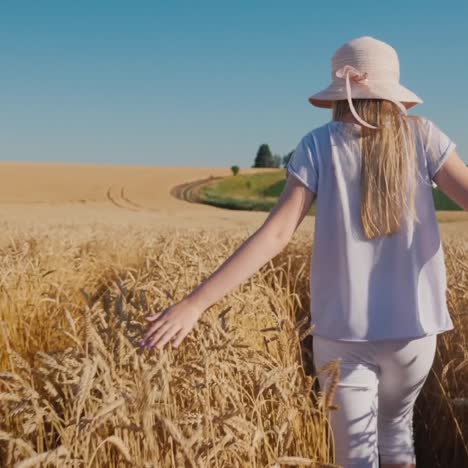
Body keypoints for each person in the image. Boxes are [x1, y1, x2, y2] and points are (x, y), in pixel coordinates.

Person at [139, 36, 468, 467]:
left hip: (341, 332)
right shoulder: (424, 135)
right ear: (393, 90)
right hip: (414, 328)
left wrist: (194, 304)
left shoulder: (317, 144)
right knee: (397, 433)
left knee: (355, 457)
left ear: (337, 92)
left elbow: (274, 236)